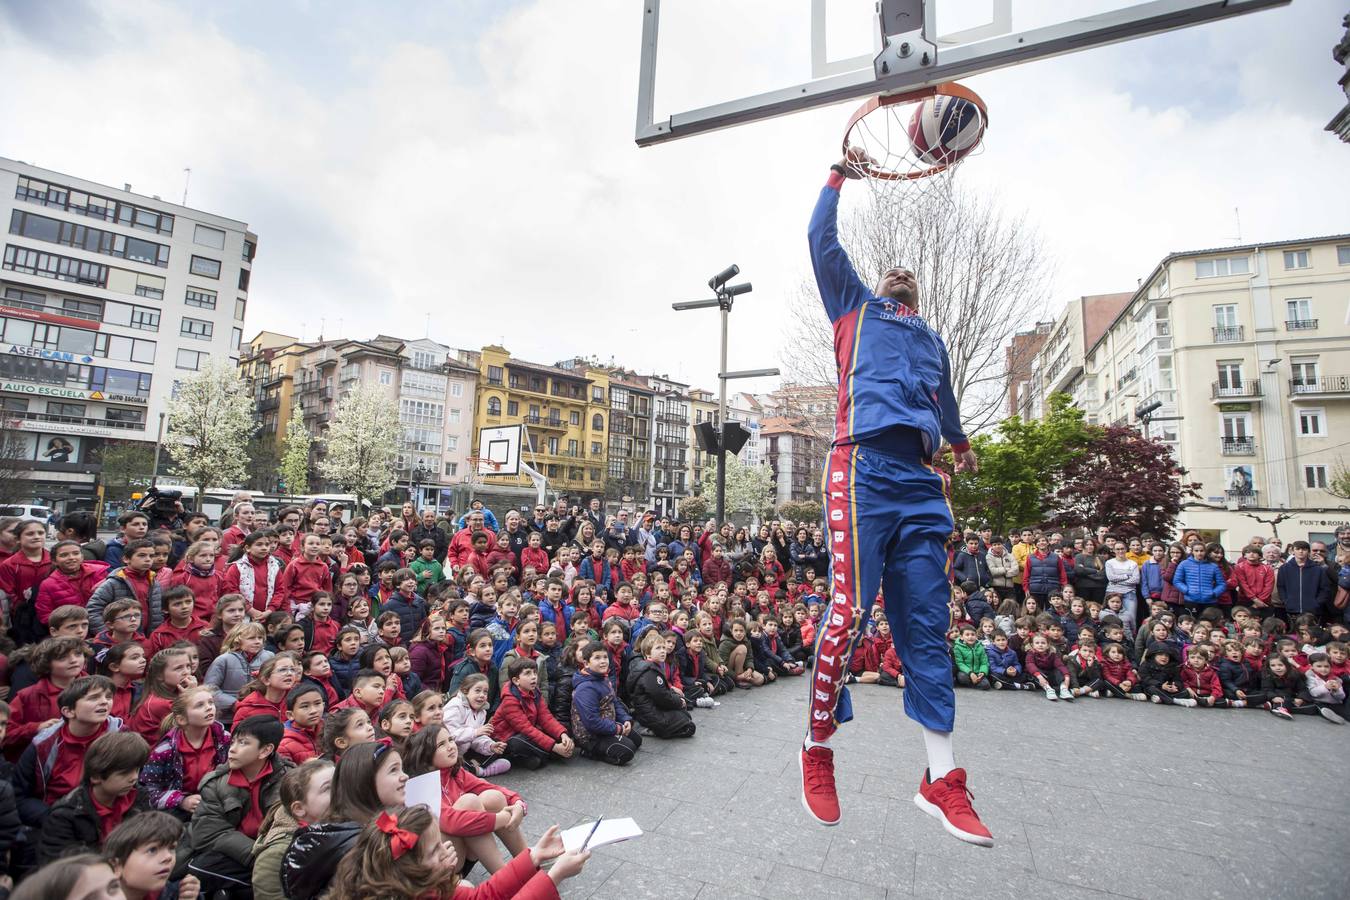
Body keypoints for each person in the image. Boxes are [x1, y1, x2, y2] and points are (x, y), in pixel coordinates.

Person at [800, 158, 990, 840]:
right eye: (895, 269)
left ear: (919, 292)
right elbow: (822, 241)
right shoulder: (855, 307)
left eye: (912, 272)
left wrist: (960, 444)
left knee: (927, 632)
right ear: (881, 285)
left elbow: (945, 401)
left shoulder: (931, 337)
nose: (903, 270)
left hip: (919, 481)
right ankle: (817, 750)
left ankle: (941, 779)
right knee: (849, 609)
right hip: (862, 467)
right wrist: (835, 178)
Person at [327, 805, 588, 900]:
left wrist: (533, 856)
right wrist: (554, 877)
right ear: (407, 868)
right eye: (435, 849)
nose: (446, 849)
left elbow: (481, 896)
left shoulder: (419, 887)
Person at [184, 715, 293, 895]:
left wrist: (269, 856)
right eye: (233, 742)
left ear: (265, 750)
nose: (232, 750)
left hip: (275, 853)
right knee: (199, 868)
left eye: (243, 743)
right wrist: (257, 855)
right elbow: (208, 833)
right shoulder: (217, 783)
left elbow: (292, 827)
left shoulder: (290, 780)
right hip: (241, 855)